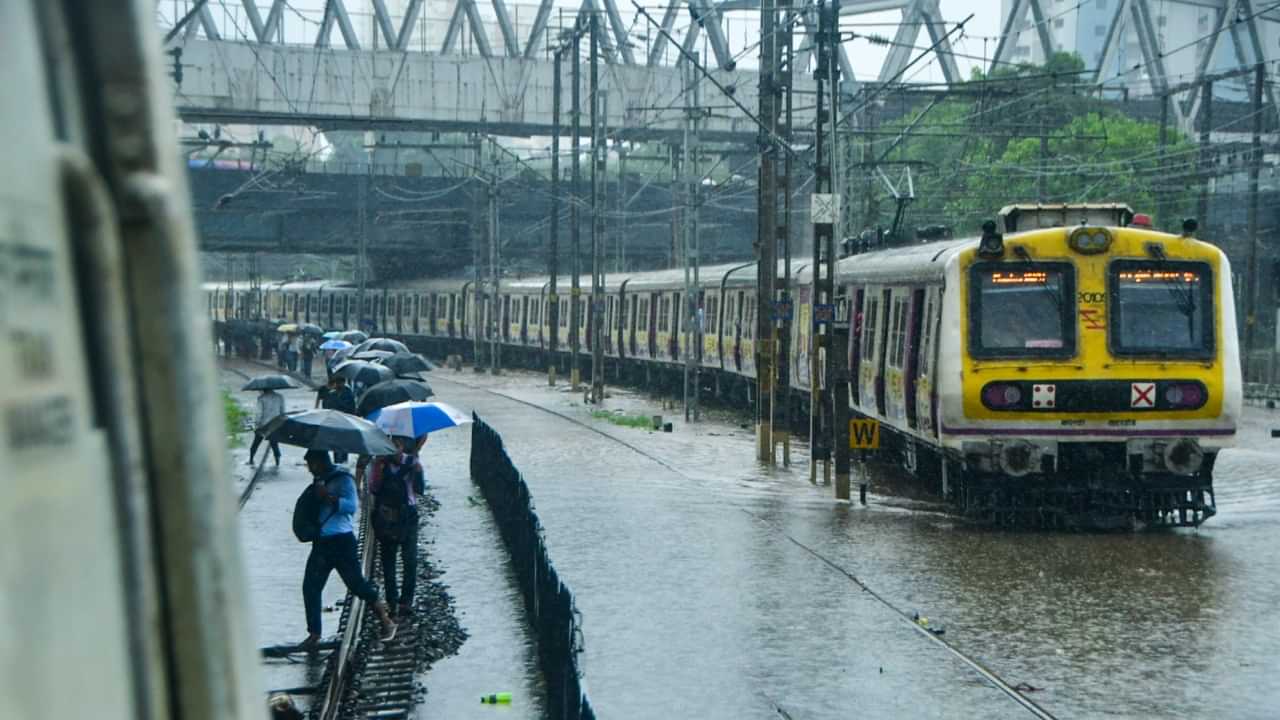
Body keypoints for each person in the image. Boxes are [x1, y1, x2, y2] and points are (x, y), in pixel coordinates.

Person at [300, 449, 396, 648]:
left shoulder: (343, 479)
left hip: (341, 541)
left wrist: (328, 497)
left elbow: (352, 506)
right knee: (310, 587)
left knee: (357, 585)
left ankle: (386, 620)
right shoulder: (319, 481)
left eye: (310, 464)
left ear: (318, 462)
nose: (309, 469)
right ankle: (314, 634)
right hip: (321, 542)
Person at [368, 436, 426, 618]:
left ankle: (406, 601)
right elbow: (374, 489)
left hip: (407, 514)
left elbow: (419, 489)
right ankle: (392, 601)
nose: (394, 450)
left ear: (402, 447)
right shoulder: (380, 464)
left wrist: (418, 472)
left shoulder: (412, 462)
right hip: (387, 517)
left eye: (397, 446)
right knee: (388, 561)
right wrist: (377, 468)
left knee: (410, 559)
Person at [317, 375, 356, 464]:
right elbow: (326, 407)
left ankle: (343, 461)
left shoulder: (348, 394)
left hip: (345, 422)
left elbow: (351, 408)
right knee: (336, 444)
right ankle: (337, 461)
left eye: (340, 383)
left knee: (344, 444)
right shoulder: (332, 394)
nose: (338, 385)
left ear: (343, 383)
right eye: (337, 383)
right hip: (334, 422)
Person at [248, 388, 285, 466]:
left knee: (256, 442)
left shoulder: (261, 398)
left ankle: (251, 459)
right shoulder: (279, 397)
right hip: (275, 424)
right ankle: (277, 461)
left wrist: (257, 424)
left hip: (263, 425)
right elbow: (283, 412)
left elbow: (259, 413)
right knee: (274, 443)